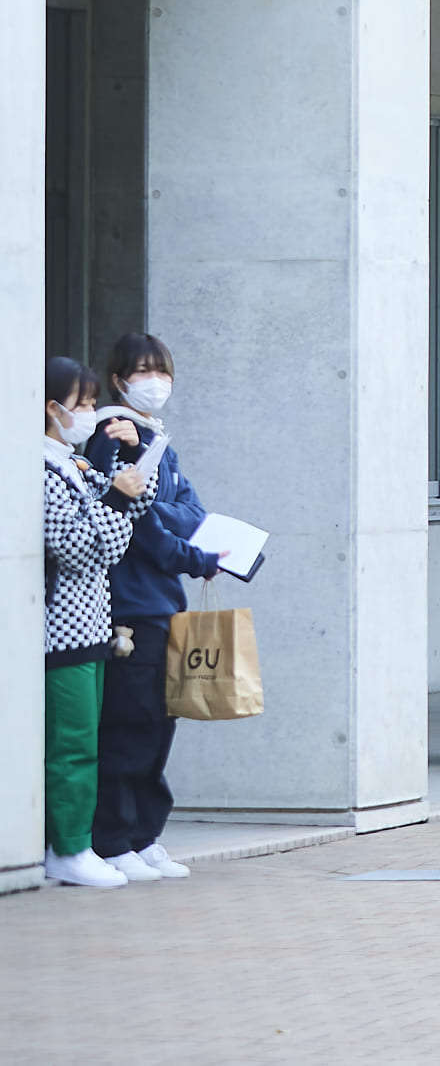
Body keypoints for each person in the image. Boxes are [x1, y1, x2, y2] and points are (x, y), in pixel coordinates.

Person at [81, 333, 217, 879]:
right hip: (128, 605)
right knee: (128, 725)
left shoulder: (158, 440)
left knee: (159, 723)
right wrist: (190, 549)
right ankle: (113, 838)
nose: (154, 382)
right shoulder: (107, 439)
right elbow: (140, 523)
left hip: (164, 604)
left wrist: (170, 517)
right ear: (117, 380)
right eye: (142, 371)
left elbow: (190, 509)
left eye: (161, 370)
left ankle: (143, 835)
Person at [41, 358, 147, 889]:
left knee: (86, 740)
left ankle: (74, 844)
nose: (89, 414)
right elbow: (81, 547)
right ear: (50, 408)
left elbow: (127, 519)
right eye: (81, 406)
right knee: (71, 744)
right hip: (60, 629)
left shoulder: (72, 463)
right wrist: (114, 500)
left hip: (89, 626)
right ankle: (67, 848)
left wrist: (131, 455)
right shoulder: (40, 470)